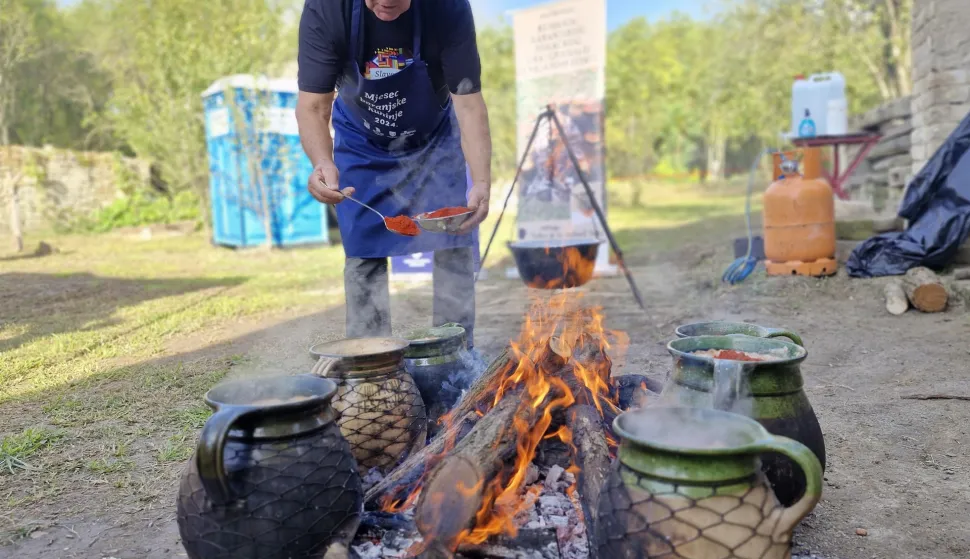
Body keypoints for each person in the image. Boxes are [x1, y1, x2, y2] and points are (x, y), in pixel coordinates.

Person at [296, 0, 491, 347]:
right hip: (360, 142)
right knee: (362, 250)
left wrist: (481, 181)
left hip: (434, 139)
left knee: (454, 238)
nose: (386, 1)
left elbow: (469, 103)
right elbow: (313, 105)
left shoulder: (448, 8)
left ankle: (454, 357)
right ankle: (371, 363)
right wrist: (322, 162)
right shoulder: (328, 8)